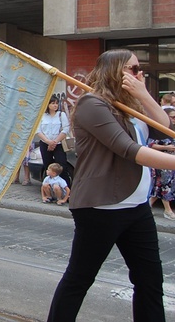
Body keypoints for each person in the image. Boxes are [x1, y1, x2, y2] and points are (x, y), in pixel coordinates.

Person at [48, 49, 175, 321]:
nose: (139, 74)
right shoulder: (92, 104)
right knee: (80, 279)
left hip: (137, 207)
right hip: (101, 207)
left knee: (150, 282)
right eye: (133, 69)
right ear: (114, 70)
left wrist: (143, 93)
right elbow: (127, 149)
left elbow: (163, 127)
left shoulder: (130, 104)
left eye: (140, 69)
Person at [36, 94, 72, 186]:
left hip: (58, 144)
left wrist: (55, 142)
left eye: (56, 103)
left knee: (62, 166)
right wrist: (48, 142)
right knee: (48, 166)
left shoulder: (61, 115)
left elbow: (66, 129)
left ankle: (65, 188)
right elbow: (38, 130)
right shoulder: (42, 116)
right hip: (45, 143)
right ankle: (49, 189)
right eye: (52, 103)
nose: (55, 105)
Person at [149, 107, 175, 220]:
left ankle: (147, 205)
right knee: (165, 185)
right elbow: (151, 145)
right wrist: (166, 147)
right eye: (172, 117)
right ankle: (167, 210)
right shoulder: (158, 128)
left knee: (160, 187)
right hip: (162, 160)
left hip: (171, 160)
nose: (174, 119)